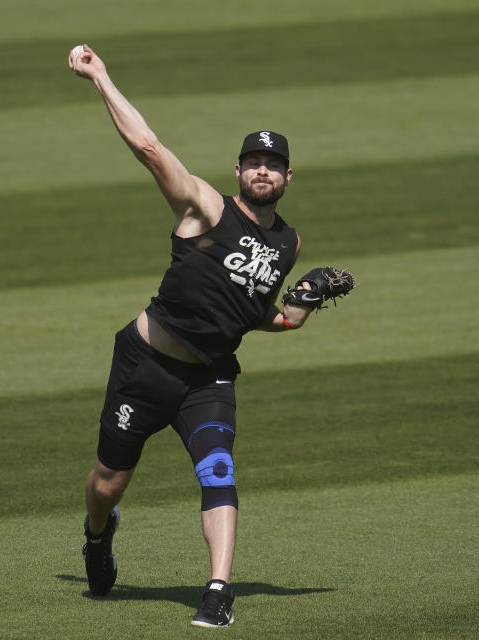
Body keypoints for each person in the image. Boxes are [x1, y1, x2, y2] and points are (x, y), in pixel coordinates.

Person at [69, 43, 338, 628]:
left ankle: (219, 590)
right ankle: (97, 536)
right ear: (238, 170)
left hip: (208, 378)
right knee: (107, 485)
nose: (262, 171)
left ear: (288, 176)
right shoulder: (205, 208)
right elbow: (147, 147)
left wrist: (303, 306)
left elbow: (261, 315)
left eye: (272, 164)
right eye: (252, 162)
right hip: (145, 366)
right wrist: (101, 76)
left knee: (219, 469)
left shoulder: (288, 245)